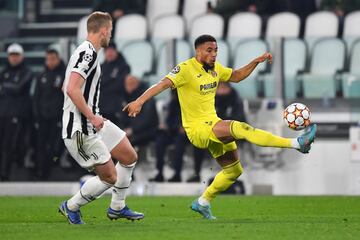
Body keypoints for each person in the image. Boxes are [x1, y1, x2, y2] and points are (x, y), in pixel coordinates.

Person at [123, 34, 317, 220]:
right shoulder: (185, 69)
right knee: (241, 128)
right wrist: (139, 101)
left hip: (212, 125)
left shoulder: (215, 69)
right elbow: (161, 85)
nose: (214, 54)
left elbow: (238, 76)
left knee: (234, 171)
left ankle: (203, 201)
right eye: (209, 50)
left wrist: (256, 62)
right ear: (198, 52)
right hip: (198, 130)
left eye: (216, 50)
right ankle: (297, 143)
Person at [58, 11, 144, 225]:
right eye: (111, 31)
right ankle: (71, 206)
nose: (110, 36)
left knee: (129, 156)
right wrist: (89, 115)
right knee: (110, 177)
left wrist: (92, 113)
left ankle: (117, 207)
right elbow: (71, 89)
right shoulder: (87, 53)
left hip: (93, 121)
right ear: (104, 30)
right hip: (81, 128)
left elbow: (65, 87)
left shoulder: (88, 52)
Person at [150, 91, 206, 183]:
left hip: (192, 132)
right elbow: (169, 120)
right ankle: (159, 172)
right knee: (160, 139)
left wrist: (187, 127)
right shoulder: (174, 102)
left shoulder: (195, 101)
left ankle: (189, 173)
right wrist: (170, 126)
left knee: (185, 141)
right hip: (174, 132)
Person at [0, 43, 33, 181]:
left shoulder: (27, 71)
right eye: (11, 55)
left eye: (16, 55)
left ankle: (7, 173)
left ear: (21, 56)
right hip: (3, 112)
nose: (14, 58)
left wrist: (4, 87)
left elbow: (19, 88)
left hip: (18, 114)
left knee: (12, 144)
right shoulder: (4, 72)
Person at [33, 48, 66, 180]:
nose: (50, 62)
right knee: (41, 145)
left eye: (53, 59)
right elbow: (36, 97)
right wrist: (36, 115)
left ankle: (53, 165)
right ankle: (41, 171)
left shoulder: (64, 75)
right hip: (43, 118)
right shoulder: (42, 76)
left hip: (58, 117)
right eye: (48, 59)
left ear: (58, 59)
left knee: (55, 146)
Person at [120, 75, 158, 148]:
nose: (127, 87)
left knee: (124, 144)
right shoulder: (126, 96)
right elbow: (123, 115)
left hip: (147, 131)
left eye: (130, 84)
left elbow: (147, 119)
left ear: (136, 84)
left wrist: (132, 129)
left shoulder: (146, 96)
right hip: (132, 130)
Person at [99, 41, 130, 128]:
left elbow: (120, 85)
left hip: (116, 107)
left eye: (112, 51)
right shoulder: (101, 67)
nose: (109, 53)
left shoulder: (123, 66)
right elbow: (97, 85)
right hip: (101, 107)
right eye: (107, 51)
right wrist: (111, 79)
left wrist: (105, 83)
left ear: (116, 51)